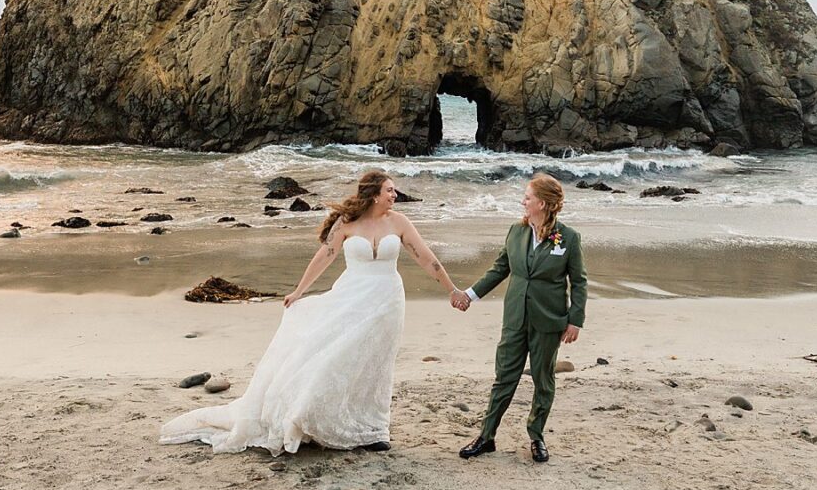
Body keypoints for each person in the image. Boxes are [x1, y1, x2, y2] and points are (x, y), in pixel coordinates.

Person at [160, 170, 463, 455]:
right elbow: (325, 256)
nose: (395, 195)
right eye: (389, 190)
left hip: (387, 300)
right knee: (338, 356)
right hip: (351, 297)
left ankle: (375, 430)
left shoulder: (399, 222)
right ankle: (313, 415)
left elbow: (426, 257)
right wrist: (299, 291)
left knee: (376, 362)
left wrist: (451, 288)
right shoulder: (347, 222)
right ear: (374, 195)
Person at [451, 172, 587, 463]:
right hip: (515, 318)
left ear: (543, 203)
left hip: (549, 321)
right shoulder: (516, 232)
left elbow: (579, 281)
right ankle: (486, 436)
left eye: (528, 197)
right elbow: (499, 269)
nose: (523, 201)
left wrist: (575, 320)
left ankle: (536, 436)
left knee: (543, 379)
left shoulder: (569, 238)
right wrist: (469, 295)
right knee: (504, 377)